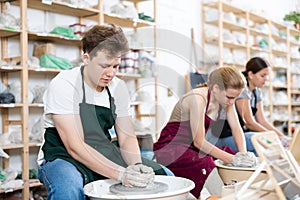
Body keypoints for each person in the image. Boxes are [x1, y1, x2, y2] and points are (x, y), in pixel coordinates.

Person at [37, 24, 170, 200]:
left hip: (102, 150)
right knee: (69, 189)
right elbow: (74, 146)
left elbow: (127, 136)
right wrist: (121, 174)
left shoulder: (117, 88)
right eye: (104, 66)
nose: (111, 73)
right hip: (62, 155)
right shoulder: (65, 83)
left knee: (164, 175)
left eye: (116, 66)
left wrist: (135, 165)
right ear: (86, 58)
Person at [153, 66, 257, 199]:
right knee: (206, 162)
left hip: (192, 146)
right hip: (172, 147)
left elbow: (237, 128)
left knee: (230, 153)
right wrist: (234, 159)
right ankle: (219, 195)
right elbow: (199, 142)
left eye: (235, 98)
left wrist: (242, 155)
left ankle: (234, 193)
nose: (232, 102)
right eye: (229, 97)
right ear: (215, 88)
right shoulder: (197, 98)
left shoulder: (225, 100)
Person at [208, 57, 291, 155]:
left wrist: (282, 136)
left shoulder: (257, 92)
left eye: (267, 75)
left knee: (265, 146)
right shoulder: (241, 90)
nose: (266, 79)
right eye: (263, 75)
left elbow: (262, 120)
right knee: (257, 140)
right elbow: (249, 122)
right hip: (222, 137)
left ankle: (264, 168)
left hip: (237, 134)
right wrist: (274, 137)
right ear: (251, 74)